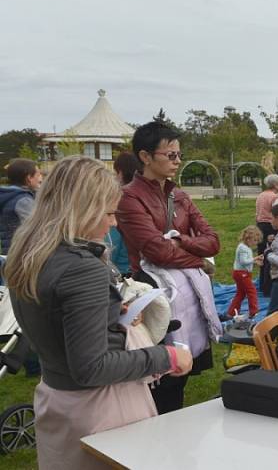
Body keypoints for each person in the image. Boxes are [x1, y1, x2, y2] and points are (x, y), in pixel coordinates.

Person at [5, 156, 192, 469]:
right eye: (108, 213)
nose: (113, 222)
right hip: (100, 409)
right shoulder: (82, 269)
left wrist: (106, 311)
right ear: (83, 211)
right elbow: (91, 367)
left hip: (55, 397)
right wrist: (168, 357)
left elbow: (56, 319)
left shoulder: (27, 254)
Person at [115, 121, 221, 414]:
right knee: (161, 378)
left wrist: (182, 241)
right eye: (170, 155)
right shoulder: (129, 198)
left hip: (189, 294)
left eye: (179, 155)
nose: (177, 161)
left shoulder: (179, 195)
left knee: (182, 372)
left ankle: (173, 444)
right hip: (153, 295)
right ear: (146, 156)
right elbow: (157, 252)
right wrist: (198, 258)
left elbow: (213, 241)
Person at [0, 158, 43, 255]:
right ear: (29, 178)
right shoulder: (23, 200)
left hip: (11, 252)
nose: (41, 177)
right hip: (23, 254)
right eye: (39, 174)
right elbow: (38, 227)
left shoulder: (11, 195)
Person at [108, 151, 139, 275]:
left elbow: (112, 244)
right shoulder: (146, 198)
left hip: (122, 270)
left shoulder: (118, 200)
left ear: (120, 173)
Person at [225, 225, 264, 319]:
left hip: (242, 273)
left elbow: (246, 262)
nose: (256, 243)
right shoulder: (242, 248)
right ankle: (253, 311)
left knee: (241, 293)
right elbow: (243, 261)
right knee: (252, 291)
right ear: (248, 238)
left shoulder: (246, 247)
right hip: (241, 274)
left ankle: (231, 312)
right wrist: (255, 259)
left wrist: (255, 262)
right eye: (255, 240)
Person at [255, 174, 278, 295]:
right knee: (272, 256)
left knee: (261, 255)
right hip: (271, 227)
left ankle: (262, 284)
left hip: (260, 226)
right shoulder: (275, 198)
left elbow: (257, 212)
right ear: (276, 184)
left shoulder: (260, 195)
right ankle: (270, 287)